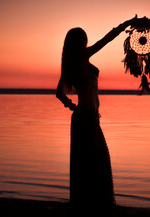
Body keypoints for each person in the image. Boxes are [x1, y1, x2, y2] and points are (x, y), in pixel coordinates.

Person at [56, 15, 137, 211]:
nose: (86, 43)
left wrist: (71, 105)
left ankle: (88, 204)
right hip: (87, 118)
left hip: (84, 117)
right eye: (83, 40)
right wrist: (125, 25)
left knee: (89, 161)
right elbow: (106, 39)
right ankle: (95, 206)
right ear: (78, 43)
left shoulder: (69, 64)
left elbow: (59, 93)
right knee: (96, 161)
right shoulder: (82, 57)